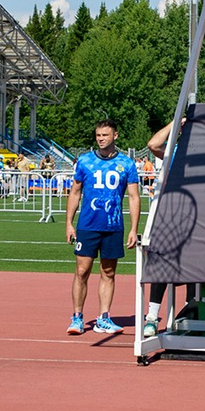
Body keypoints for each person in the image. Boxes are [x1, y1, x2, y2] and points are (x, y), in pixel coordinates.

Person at [66, 122, 141, 334]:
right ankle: (77, 317)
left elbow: (134, 197)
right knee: (82, 270)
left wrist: (133, 228)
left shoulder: (126, 164)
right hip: (88, 225)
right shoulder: (85, 161)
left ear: (115, 135)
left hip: (113, 225)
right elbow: (75, 193)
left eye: (105, 135)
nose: (101, 138)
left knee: (108, 271)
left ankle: (104, 318)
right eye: (98, 135)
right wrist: (69, 223)